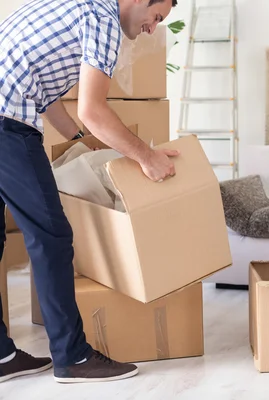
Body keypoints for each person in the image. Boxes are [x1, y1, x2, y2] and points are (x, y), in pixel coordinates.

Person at [0, 0, 179, 384]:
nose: (154, 26)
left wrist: (83, 143)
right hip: (7, 125)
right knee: (52, 237)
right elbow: (93, 110)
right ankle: (73, 357)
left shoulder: (73, 6)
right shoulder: (103, 18)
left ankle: (1, 356)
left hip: (7, 111)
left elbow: (45, 94)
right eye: (157, 16)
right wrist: (147, 157)